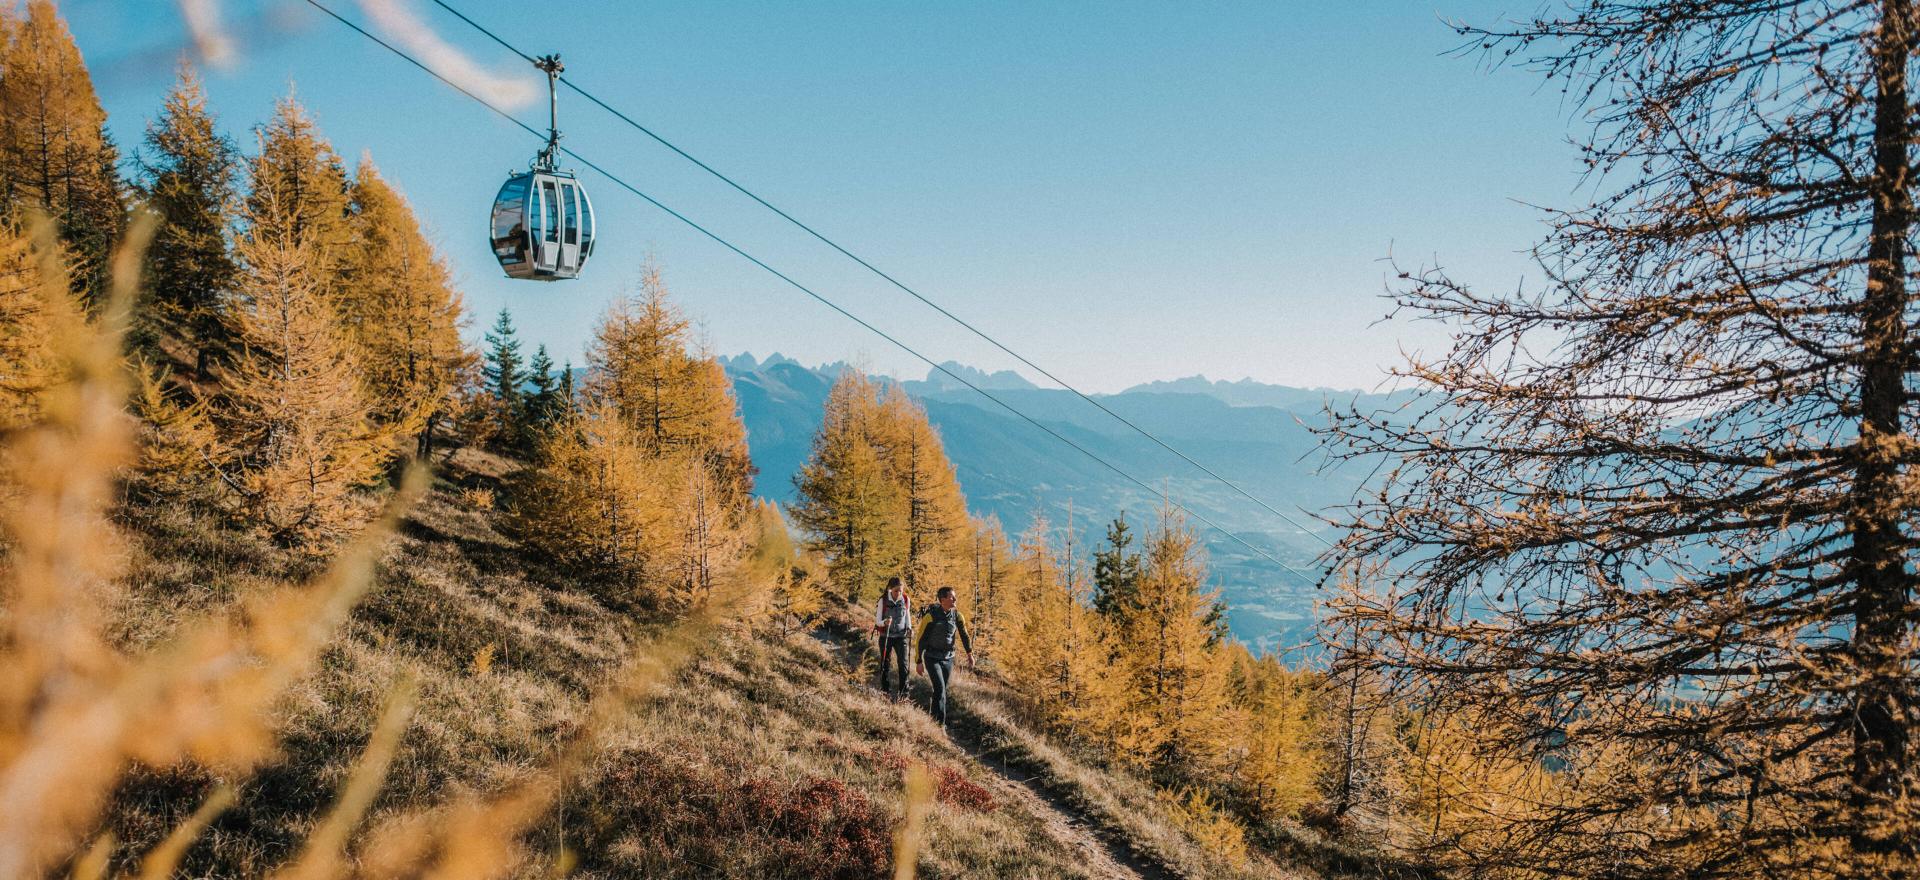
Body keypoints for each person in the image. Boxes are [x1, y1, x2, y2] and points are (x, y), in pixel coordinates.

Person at [913, 586, 974, 727]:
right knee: (940, 688)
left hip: (948, 658)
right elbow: (920, 639)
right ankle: (940, 725)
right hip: (932, 658)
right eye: (952, 597)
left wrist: (970, 654)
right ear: (943, 600)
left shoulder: (957, 616)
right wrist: (918, 661)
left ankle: (933, 720)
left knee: (941, 691)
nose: (955, 599)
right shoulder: (930, 616)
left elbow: (964, 635)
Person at [872, 576, 913, 700]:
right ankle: (885, 691)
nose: (899, 593)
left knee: (904, 665)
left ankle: (904, 694)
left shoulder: (905, 599)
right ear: (890, 589)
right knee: (885, 664)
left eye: (901, 590)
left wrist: (909, 628)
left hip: (901, 636)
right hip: (886, 636)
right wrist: (884, 622)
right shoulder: (883, 600)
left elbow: (907, 616)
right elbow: (877, 621)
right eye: (896, 591)